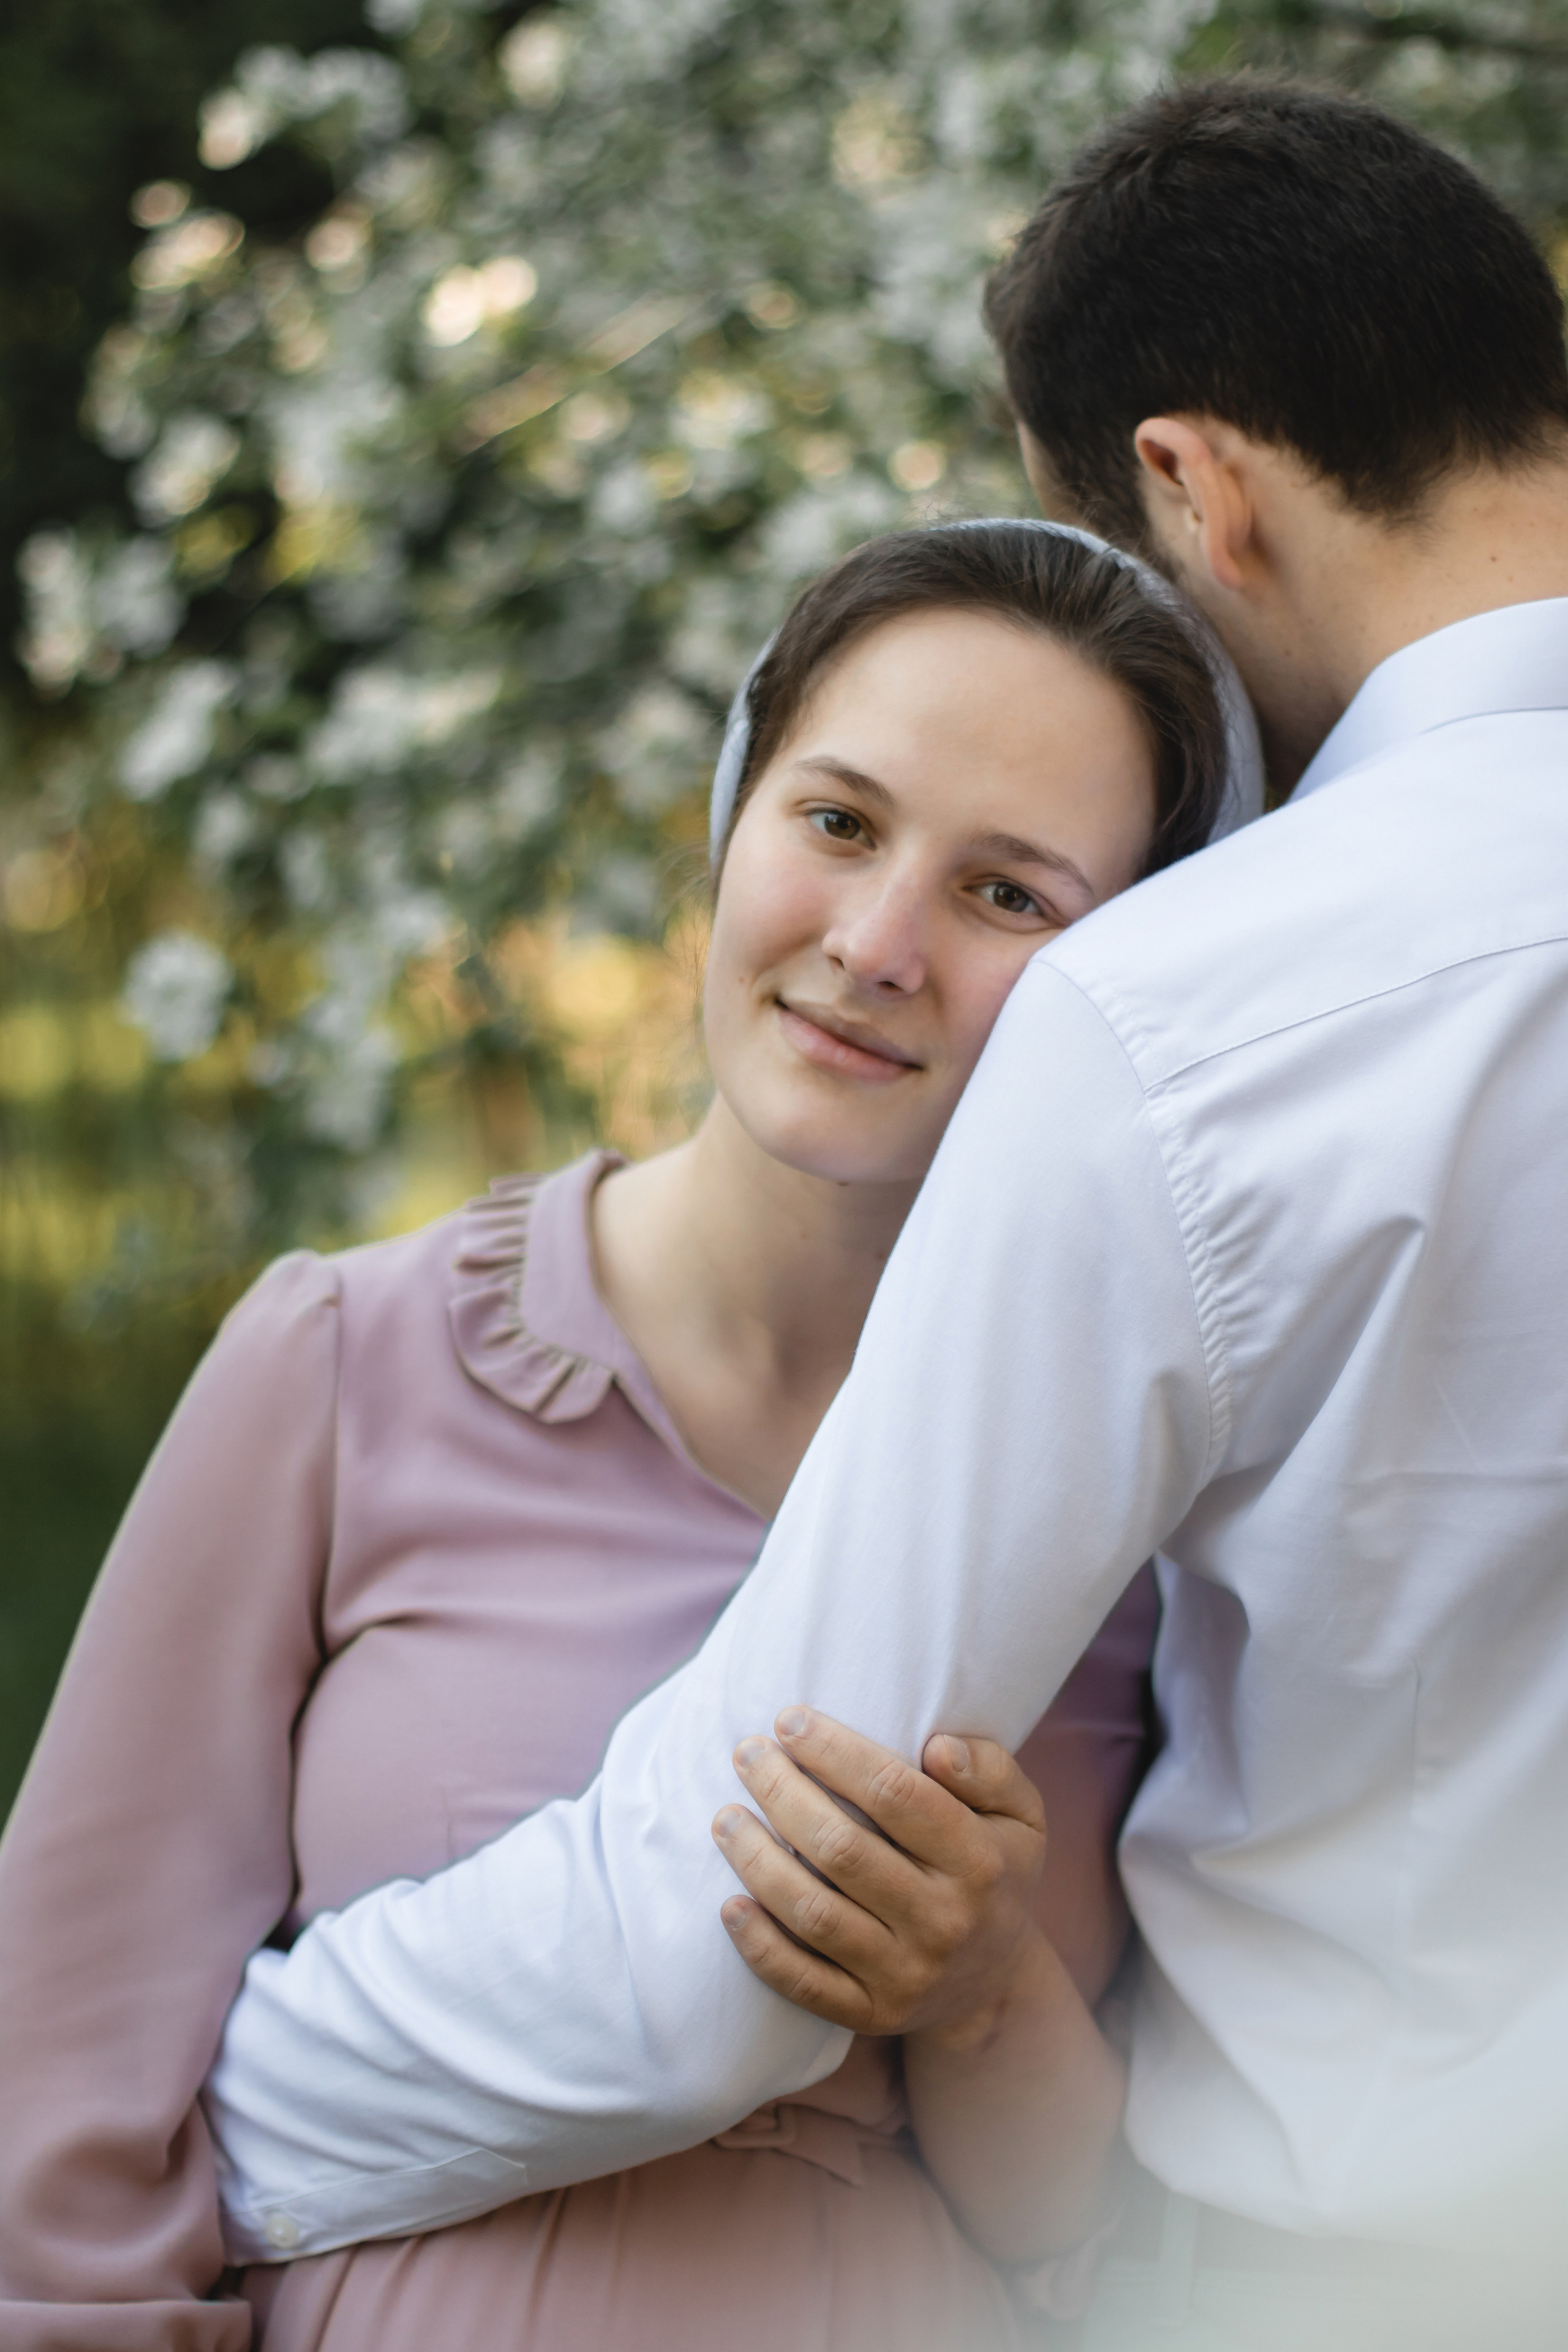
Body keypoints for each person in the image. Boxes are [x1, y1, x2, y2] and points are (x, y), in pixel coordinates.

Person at [165, 78, 1568, 2352]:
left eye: (1008, 884)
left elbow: (703, 1940)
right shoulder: (348, 1358)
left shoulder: (1206, 1012)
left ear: (1191, 487)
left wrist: (167, 2124)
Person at [0, 521, 1260, 2351]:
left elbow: (1105, 2250)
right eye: (837, 822)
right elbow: (60, 2120)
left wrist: (980, 1991)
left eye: (1011, 897)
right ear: (736, 819)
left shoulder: (1140, 1516)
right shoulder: (347, 1364)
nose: (875, 945)